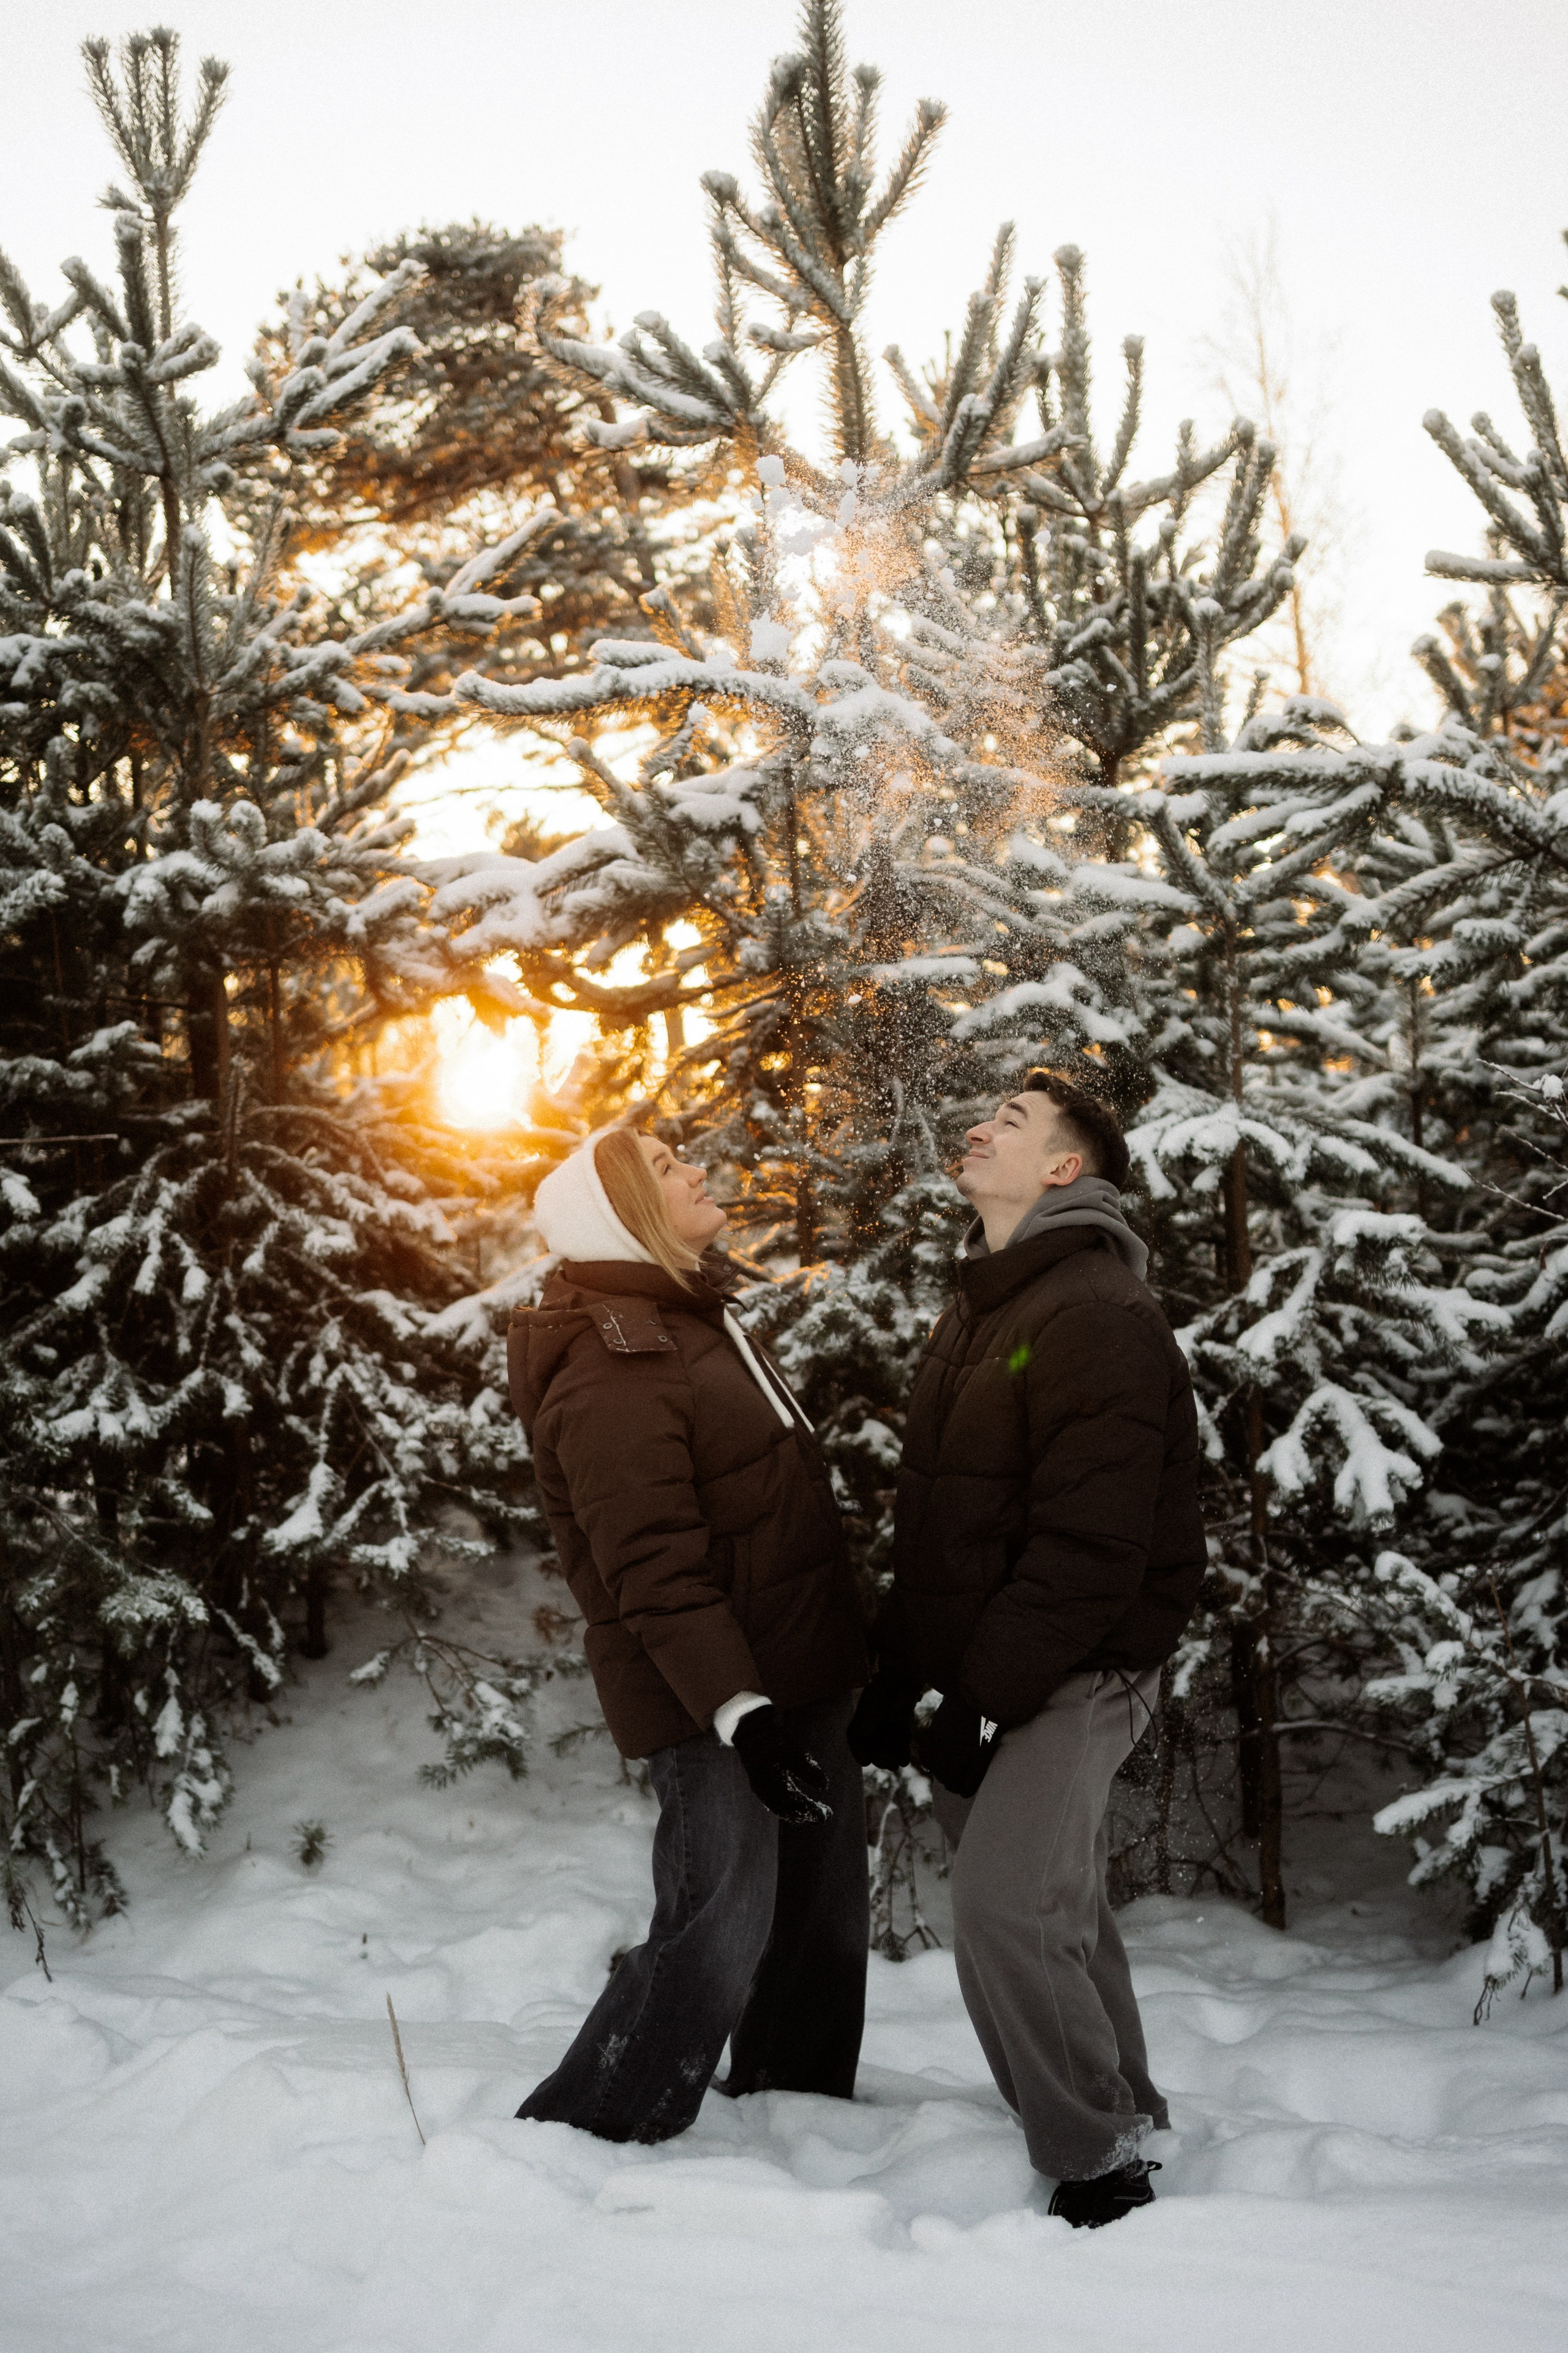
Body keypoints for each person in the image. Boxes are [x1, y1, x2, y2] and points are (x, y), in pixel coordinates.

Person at [849, 1070, 1206, 2229]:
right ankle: (1124, 2106)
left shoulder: (1095, 1309)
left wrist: (987, 1701)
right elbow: (947, 1518)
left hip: (1083, 1663)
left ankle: (1098, 2161)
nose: (977, 1124)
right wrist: (903, 1669)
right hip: (1002, 1661)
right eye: (982, 1109)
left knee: (1008, 1905)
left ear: (1067, 1168)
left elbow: (1090, 1550)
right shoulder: (984, 1305)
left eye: (1011, 1121)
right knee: (1054, 1906)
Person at [507, 1125, 870, 2144]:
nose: (698, 1167)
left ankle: (794, 2106)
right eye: (666, 1168)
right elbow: (652, 1565)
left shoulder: (692, 1319)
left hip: (795, 1673)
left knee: (819, 1914)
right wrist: (740, 1714)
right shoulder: (614, 1362)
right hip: (713, 1696)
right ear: (622, 1212)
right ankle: (595, 2123)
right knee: (721, 1913)